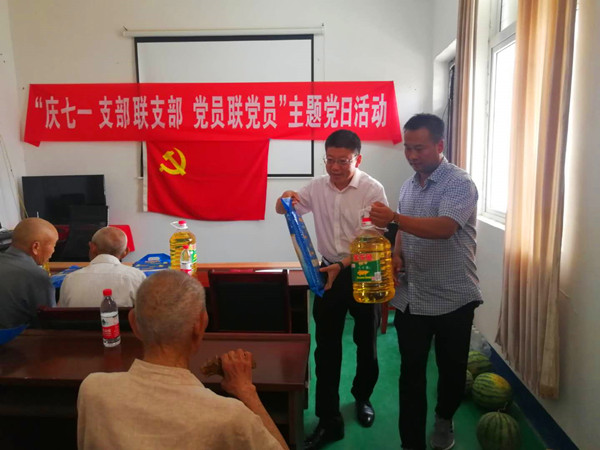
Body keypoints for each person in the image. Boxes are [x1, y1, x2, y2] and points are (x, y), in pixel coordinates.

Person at [369, 113, 483, 450]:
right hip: (413, 297)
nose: (412, 155)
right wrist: (397, 255)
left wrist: (394, 217)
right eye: (408, 148)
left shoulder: (459, 183)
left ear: (439, 145)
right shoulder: (408, 186)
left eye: (419, 148)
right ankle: (411, 443)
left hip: (454, 297)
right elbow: (403, 231)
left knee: (451, 371)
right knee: (411, 374)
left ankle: (444, 419)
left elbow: (445, 227)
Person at [77, 270, 288, 450]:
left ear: (134, 323)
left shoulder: (92, 390)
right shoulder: (231, 416)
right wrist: (246, 390)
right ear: (200, 324)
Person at [275, 129, 387, 450]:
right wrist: (285, 198)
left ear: (357, 159)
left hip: (363, 269)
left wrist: (344, 265)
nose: (335, 167)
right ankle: (328, 419)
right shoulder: (316, 187)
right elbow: (284, 209)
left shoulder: (372, 189)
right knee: (326, 348)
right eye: (330, 160)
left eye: (343, 161)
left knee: (366, 341)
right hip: (327, 273)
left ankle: (362, 396)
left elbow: (374, 235)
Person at [59, 226, 145, 307]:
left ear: (92, 247)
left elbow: (61, 313)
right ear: (125, 252)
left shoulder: (70, 279)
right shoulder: (137, 277)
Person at [0, 217, 58, 328]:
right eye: (53, 245)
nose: (53, 251)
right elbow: (50, 322)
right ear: (36, 247)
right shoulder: (37, 276)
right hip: (17, 337)